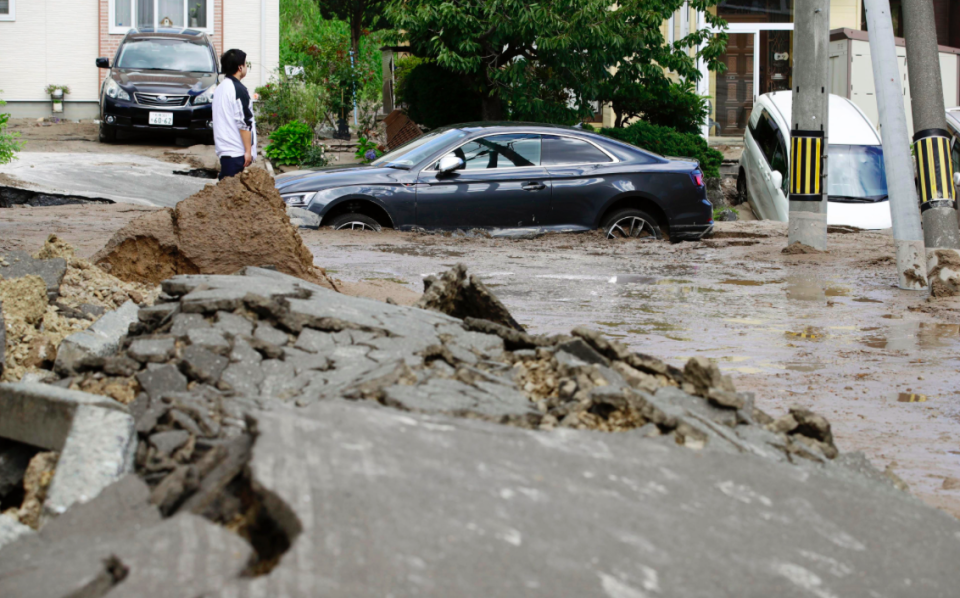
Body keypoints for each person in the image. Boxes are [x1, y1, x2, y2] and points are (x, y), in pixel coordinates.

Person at [212, 49, 257, 180]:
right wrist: (248, 151)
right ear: (240, 67)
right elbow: (243, 123)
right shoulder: (238, 89)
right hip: (236, 152)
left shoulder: (220, 88)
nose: (246, 67)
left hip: (225, 150)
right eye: (245, 64)